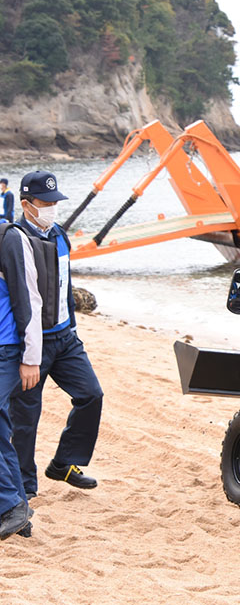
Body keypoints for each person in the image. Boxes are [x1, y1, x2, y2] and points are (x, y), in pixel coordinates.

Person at [11, 171, 104, 496]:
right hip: (32, 344)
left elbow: (65, 287)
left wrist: (73, 329)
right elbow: (22, 302)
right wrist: (27, 355)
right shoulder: (14, 239)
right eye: (45, 203)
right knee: (25, 421)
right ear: (26, 204)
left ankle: (64, 463)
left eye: (55, 202)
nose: (52, 207)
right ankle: (24, 490)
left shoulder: (60, 235)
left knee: (91, 395)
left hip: (66, 339)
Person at [0, 217, 44, 540]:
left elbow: (29, 298)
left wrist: (31, 357)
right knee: (2, 431)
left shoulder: (9, 237)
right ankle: (19, 515)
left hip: (7, 348)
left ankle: (10, 505)